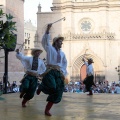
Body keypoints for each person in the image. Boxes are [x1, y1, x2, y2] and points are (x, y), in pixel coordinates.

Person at [36, 23, 68, 116]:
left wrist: (63, 73)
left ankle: (47, 110)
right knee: (52, 87)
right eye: (60, 41)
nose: (62, 43)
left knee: (58, 90)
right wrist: (47, 30)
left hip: (58, 72)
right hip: (50, 71)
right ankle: (41, 87)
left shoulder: (62, 54)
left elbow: (64, 64)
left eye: (62, 42)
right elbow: (45, 42)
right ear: (56, 42)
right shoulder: (50, 48)